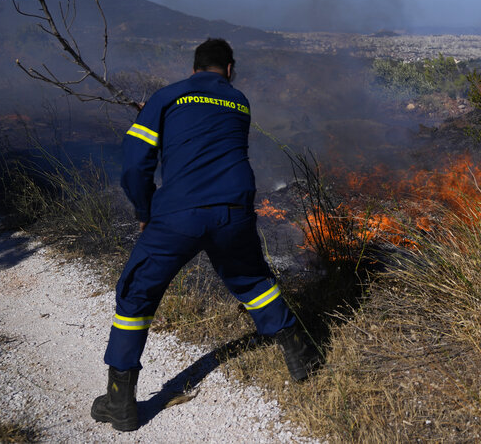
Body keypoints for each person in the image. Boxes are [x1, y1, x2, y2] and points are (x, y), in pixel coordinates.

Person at [92, 38, 316, 432]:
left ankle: (120, 401)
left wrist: (145, 210)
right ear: (229, 69)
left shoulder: (168, 96)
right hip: (233, 210)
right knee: (253, 280)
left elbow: (134, 162)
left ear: (194, 67)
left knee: (137, 293)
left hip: (178, 213)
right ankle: (301, 355)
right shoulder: (239, 101)